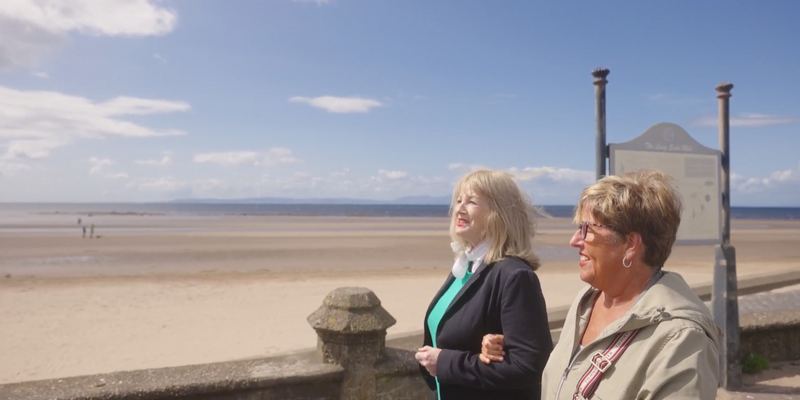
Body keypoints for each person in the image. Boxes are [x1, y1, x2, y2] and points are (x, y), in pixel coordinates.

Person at [479, 169, 721, 400]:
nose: (574, 240)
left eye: (587, 229)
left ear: (631, 244)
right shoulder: (587, 302)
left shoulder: (683, 340)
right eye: (578, 228)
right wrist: (505, 349)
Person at [415, 169, 553, 400]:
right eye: (459, 200)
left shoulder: (515, 276)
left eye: (471, 201)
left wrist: (445, 362)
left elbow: (529, 367)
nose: (459, 208)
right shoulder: (466, 267)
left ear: (498, 213)